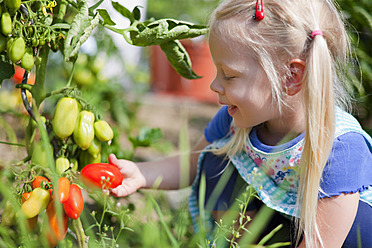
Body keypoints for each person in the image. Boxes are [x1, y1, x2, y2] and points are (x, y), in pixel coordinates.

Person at [108, 0, 372, 247]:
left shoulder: (341, 147)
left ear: (291, 76)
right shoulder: (237, 120)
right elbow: (192, 162)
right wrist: (141, 174)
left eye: (229, 75)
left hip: (338, 239)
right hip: (288, 225)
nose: (213, 85)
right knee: (215, 159)